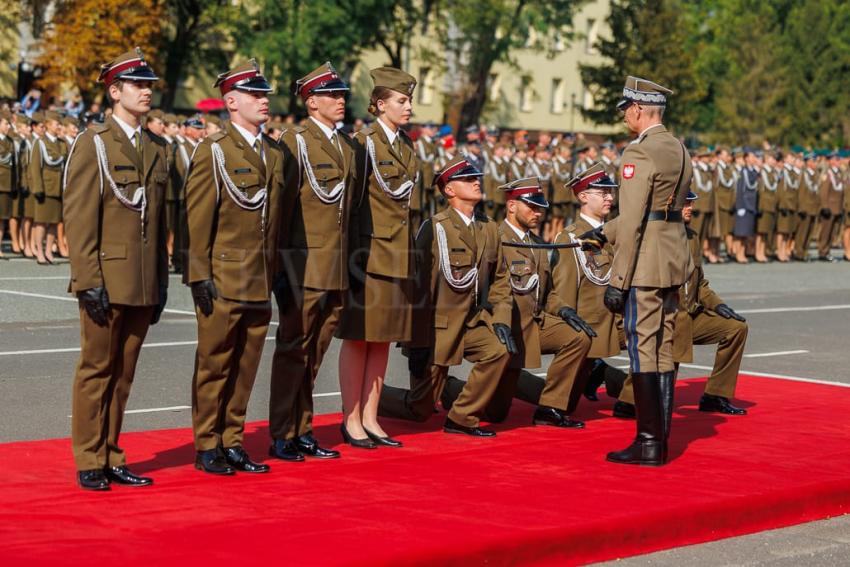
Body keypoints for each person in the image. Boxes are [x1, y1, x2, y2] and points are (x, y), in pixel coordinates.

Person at [63, 48, 169, 490]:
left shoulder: (158, 147)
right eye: (138, 85)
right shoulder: (95, 143)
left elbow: (160, 221)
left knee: (124, 375)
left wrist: (162, 282)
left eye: (149, 86)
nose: (146, 92)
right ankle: (89, 457)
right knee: (96, 371)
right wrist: (88, 280)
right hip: (106, 279)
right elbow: (80, 216)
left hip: (142, 281)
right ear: (114, 91)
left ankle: (111, 453)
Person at [185, 59, 283, 475]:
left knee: (246, 365)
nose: (264, 101)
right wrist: (198, 274)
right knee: (215, 363)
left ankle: (233, 439)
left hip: (261, 275)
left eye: (264, 95)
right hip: (224, 275)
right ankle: (208, 443)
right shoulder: (215, 151)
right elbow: (197, 218)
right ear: (231, 101)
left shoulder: (274, 153)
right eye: (255, 95)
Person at [593, 76, 692, 467]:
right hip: (672, 256)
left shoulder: (639, 153)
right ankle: (660, 439)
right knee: (662, 347)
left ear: (636, 109)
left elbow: (633, 220)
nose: (624, 118)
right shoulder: (678, 148)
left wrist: (618, 280)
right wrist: (600, 233)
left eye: (625, 111)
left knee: (641, 348)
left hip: (646, 263)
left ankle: (649, 442)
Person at [378, 156, 516, 436]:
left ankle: (462, 417)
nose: (477, 182)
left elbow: (501, 278)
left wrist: (501, 318)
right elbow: (418, 288)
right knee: (420, 410)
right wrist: (416, 343)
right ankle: (369, 399)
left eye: (477, 177)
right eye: (468, 179)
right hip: (437, 330)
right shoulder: (435, 227)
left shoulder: (489, 227)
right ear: (449, 190)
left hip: (472, 323)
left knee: (499, 351)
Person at [268, 62, 353, 462]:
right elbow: (281, 209)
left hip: (335, 266)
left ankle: (303, 428)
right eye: (333, 95)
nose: (341, 101)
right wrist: (282, 269)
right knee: (293, 351)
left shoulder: (344, 145)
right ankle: (282, 431)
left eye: (342, 95)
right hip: (303, 267)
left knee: (315, 353)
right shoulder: (295, 141)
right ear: (312, 101)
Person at [334, 67, 420, 448]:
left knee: (382, 339)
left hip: (397, 252)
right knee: (357, 338)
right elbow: (351, 205)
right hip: (367, 253)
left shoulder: (405, 145)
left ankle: (371, 416)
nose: (409, 107)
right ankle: (350, 417)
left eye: (409, 100)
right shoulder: (362, 143)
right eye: (402, 100)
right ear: (380, 103)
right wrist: (349, 259)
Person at [614, 191, 749, 418]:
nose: (690, 207)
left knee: (736, 329)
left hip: (689, 314)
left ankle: (715, 395)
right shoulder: (653, 237)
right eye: (685, 203)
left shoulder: (692, 237)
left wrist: (717, 305)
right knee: (667, 346)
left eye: (691, 203)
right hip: (662, 315)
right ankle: (629, 401)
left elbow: (700, 283)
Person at [474, 177, 593, 428]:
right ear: (512, 205)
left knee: (578, 337)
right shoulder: (495, 237)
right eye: (532, 207)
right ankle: (451, 390)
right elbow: (483, 290)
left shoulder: (537, 244)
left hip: (535, 324)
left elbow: (546, 291)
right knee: (495, 413)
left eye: (541, 208)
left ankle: (550, 407)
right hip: (507, 327)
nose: (538, 213)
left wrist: (564, 310)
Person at [554, 163, 627, 405]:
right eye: (603, 193)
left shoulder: (616, 231)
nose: (610, 197)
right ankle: (598, 371)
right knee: (565, 403)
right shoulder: (572, 237)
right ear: (583, 197)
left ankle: (634, 401)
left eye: (611, 192)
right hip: (592, 323)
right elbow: (565, 288)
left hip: (619, 319)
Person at [30, 110, 67, 264]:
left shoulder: (61, 143)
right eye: (57, 123)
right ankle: (39, 251)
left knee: (54, 222)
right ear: (48, 125)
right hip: (45, 188)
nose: (59, 126)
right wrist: (38, 188)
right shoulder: (40, 142)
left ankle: (48, 251)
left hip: (58, 188)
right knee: (41, 221)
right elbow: (35, 166)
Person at [732, 151, 759, 263]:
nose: (754, 158)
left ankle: (742, 252)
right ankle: (738, 254)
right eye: (752, 156)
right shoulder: (743, 172)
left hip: (751, 206)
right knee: (740, 233)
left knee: (745, 233)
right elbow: (740, 190)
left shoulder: (752, 172)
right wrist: (740, 206)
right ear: (747, 158)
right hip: (743, 205)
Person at [817, 152, 844, 262]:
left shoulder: (838, 174)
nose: (838, 162)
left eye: (838, 159)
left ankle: (827, 251)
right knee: (826, 231)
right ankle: (822, 252)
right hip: (829, 207)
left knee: (832, 232)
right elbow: (823, 192)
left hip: (837, 207)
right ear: (830, 161)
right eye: (836, 160)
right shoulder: (827, 174)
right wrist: (824, 206)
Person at [0, 110, 16, 258]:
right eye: (6, 123)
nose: (8, 126)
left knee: (2, 217)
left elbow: (14, 164)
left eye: (9, 123)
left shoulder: (10, 141)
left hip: (6, 183)